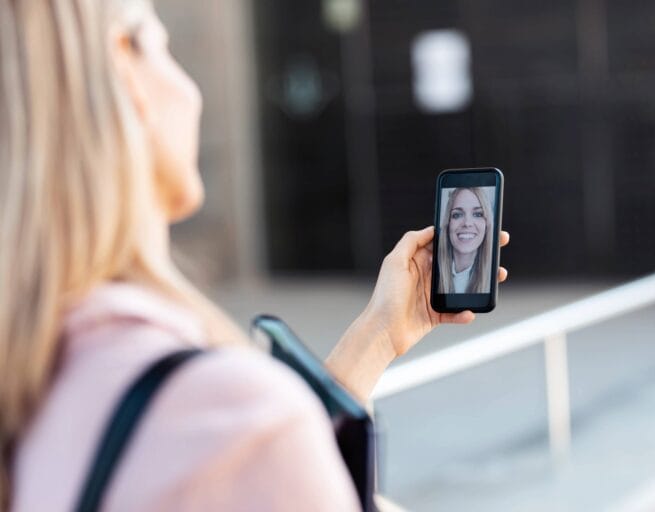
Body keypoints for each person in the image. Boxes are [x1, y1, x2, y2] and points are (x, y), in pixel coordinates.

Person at [0, 1, 510, 511]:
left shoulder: (38, 381)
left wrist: (380, 334)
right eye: (163, 48)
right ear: (125, 72)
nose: (188, 89)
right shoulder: (233, 418)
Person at [437, 187, 495, 294]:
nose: (467, 223)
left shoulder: (491, 279)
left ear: (487, 225)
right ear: (448, 223)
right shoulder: (431, 273)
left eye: (478, 214)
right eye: (457, 215)